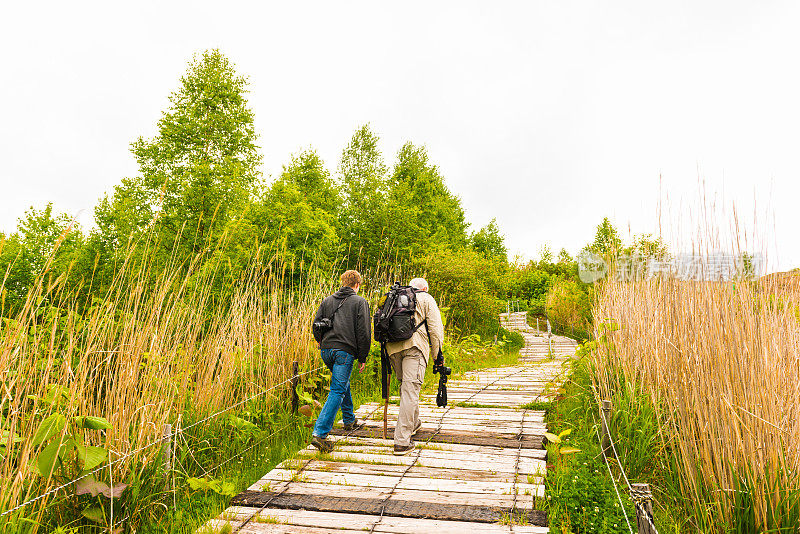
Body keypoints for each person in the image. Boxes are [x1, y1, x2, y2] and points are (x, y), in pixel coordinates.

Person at [310, 270, 371, 453]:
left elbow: (316, 324)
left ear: (343, 282)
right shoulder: (360, 302)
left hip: (326, 350)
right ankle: (320, 434)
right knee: (337, 389)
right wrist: (362, 356)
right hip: (344, 350)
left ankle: (349, 419)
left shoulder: (328, 300)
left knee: (341, 382)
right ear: (357, 285)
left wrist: (320, 341)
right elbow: (363, 332)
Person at [386, 277, 444, 455]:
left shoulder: (393, 296)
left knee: (407, 388)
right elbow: (435, 329)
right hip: (414, 347)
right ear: (425, 288)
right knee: (410, 391)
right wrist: (437, 356)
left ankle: (414, 423)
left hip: (392, 348)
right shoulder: (427, 299)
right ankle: (402, 442)